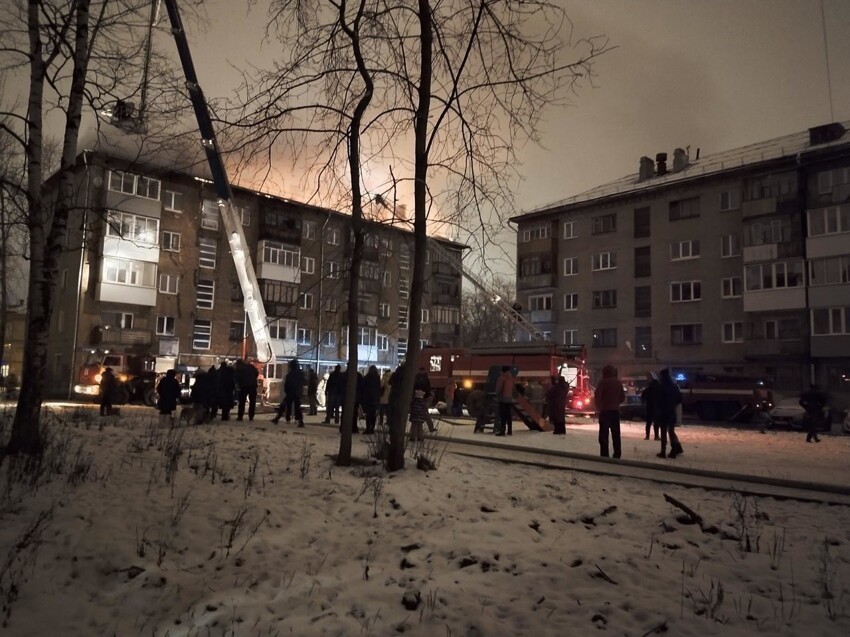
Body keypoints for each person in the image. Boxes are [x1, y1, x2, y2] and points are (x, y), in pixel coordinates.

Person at [593, 365, 625, 458]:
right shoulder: (618, 383)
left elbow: (597, 395)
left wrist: (599, 406)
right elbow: (622, 397)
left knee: (603, 434)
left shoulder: (602, 382)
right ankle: (617, 453)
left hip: (605, 411)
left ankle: (604, 454)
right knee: (616, 434)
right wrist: (615, 402)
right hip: (615, 411)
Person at [656, 368, 684, 458]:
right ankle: (674, 450)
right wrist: (673, 404)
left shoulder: (661, 387)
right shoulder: (674, 386)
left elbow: (658, 400)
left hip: (663, 412)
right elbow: (680, 398)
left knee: (663, 432)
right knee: (671, 432)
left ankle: (663, 451)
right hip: (672, 411)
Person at [274, 358, 305, 427]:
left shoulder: (290, 375)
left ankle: (278, 418)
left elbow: (287, 384)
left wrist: (287, 391)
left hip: (291, 393)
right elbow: (303, 382)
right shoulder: (300, 374)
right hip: (297, 393)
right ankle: (300, 421)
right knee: (297, 407)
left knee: (284, 405)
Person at [494, 365, 515, 436]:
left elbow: (499, 388)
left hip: (502, 398)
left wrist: (497, 394)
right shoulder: (511, 378)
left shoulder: (502, 378)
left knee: (502, 415)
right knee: (508, 415)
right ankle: (509, 431)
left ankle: (502, 431)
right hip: (509, 398)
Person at [414, 367, 436, 432]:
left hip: (418, 397)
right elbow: (427, 387)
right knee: (425, 413)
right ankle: (429, 428)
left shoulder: (417, 378)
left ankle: (418, 430)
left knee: (417, 415)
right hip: (424, 398)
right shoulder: (425, 378)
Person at [361, 365, 382, 434]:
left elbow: (363, 387)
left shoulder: (367, 377)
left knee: (368, 415)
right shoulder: (377, 378)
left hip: (368, 398)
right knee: (373, 415)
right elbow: (379, 388)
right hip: (375, 398)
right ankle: (372, 428)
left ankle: (368, 428)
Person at [641, 372, 661, 441]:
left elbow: (643, 395)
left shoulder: (648, 387)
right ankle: (656, 436)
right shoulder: (659, 387)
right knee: (656, 422)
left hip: (649, 406)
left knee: (648, 422)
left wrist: (643, 402)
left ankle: (647, 436)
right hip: (657, 406)